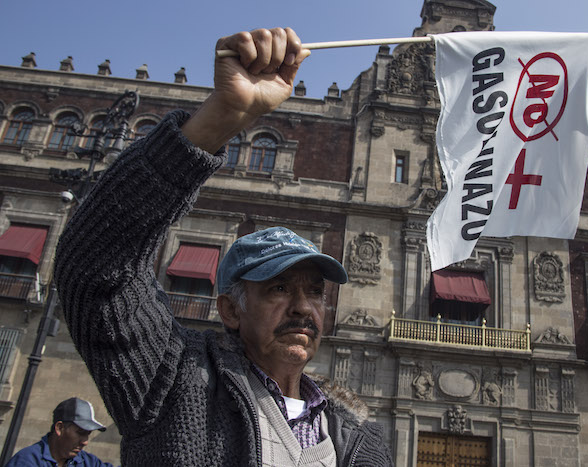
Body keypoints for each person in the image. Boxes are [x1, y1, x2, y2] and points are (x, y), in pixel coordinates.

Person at [54, 28, 393, 466]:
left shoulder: (360, 438)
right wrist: (224, 114)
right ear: (231, 310)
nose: (302, 307)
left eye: (315, 291)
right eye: (277, 288)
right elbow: (95, 265)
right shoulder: (175, 381)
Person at [6, 397, 115, 466]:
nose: (85, 441)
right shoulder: (27, 461)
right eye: (81, 432)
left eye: (88, 434)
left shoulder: (87, 462)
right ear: (59, 428)